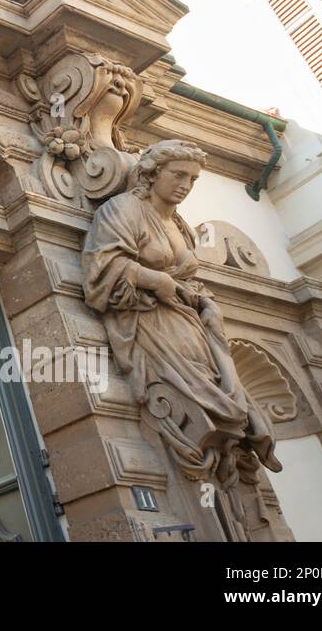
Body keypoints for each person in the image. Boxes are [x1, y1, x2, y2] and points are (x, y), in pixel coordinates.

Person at [82, 139, 281, 485]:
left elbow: (189, 281)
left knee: (219, 388)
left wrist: (205, 304)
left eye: (192, 179)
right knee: (186, 400)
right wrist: (155, 279)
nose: (185, 186)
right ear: (153, 173)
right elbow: (101, 269)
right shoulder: (123, 210)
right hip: (151, 322)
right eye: (178, 175)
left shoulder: (180, 225)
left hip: (189, 322)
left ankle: (230, 459)